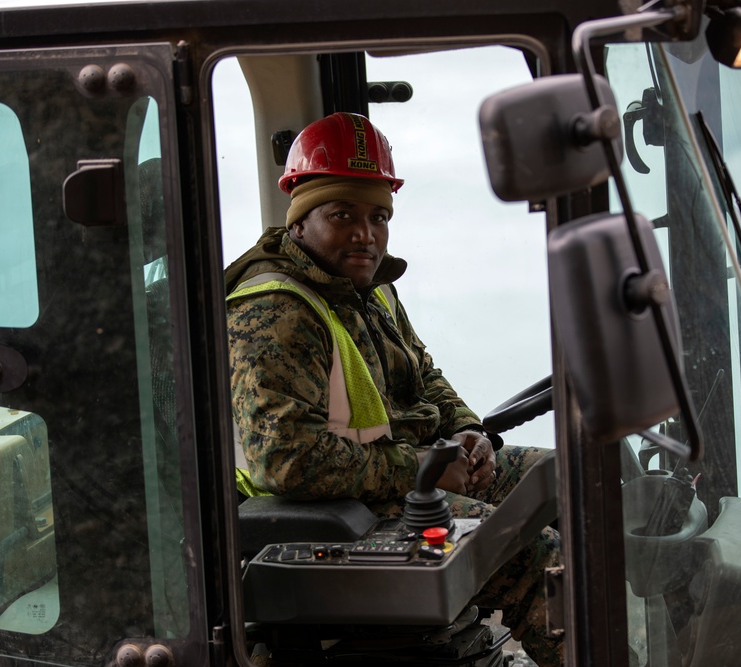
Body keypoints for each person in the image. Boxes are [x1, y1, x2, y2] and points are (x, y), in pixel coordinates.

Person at [225, 112, 563, 666]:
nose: (366, 233)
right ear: (301, 220)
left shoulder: (367, 284)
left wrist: (468, 432)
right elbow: (283, 459)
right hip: (336, 515)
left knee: (572, 483)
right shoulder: (276, 309)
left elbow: (423, 374)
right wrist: (421, 468)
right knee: (533, 554)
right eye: (343, 215)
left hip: (403, 480)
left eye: (378, 216)